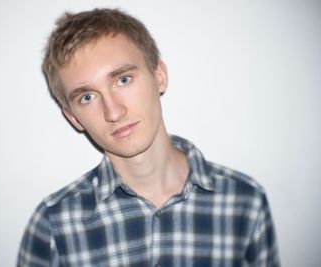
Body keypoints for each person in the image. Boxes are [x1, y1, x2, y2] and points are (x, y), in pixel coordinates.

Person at [17, 8, 280, 267]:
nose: (114, 112)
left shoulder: (245, 202)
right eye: (87, 97)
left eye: (123, 80)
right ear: (73, 117)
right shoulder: (54, 225)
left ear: (159, 77)